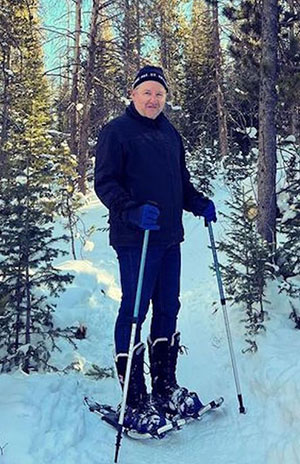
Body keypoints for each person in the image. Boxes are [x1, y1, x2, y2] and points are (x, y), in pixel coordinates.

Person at [94, 65, 217, 436]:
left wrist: (198, 202)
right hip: (136, 238)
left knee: (167, 307)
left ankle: (164, 387)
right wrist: (131, 210)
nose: (153, 99)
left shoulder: (170, 134)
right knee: (134, 311)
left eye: (159, 94)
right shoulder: (116, 132)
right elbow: (105, 183)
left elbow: (180, 184)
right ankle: (134, 399)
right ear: (133, 94)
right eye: (147, 92)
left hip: (168, 237)